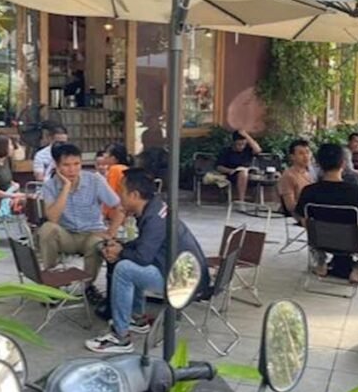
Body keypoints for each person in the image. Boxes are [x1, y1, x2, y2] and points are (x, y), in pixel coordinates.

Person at [86, 168, 208, 353]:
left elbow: (143, 257)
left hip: (182, 282)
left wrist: (120, 252)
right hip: (182, 270)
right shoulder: (155, 207)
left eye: (122, 191)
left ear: (134, 195)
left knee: (124, 269)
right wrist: (122, 247)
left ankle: (121, 337)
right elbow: (145, 244)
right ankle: (137, 318)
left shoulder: (153, 219)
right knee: (129, 263)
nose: (119, 196)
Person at [295, 143, 358, 285]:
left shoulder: (308, 191)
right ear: (343, 164)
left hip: (320, 242)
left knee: (313, 228)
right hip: (352, 243)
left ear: (319, 164)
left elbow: (304, 222)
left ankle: (321, 264)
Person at [39, 143, 123, 301]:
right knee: (47, 229)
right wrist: (66, 187)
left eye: (76, 164)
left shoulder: (95, 180)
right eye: (66, 165)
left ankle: (89, 286)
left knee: (97, 243)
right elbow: (53, 218)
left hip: (92, 233)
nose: (72, 170)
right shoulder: (50, 186)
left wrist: (111, 232)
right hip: (66, 235)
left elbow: (119, 206)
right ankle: (51, 282)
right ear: (57, 166)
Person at [215, 130, 262, 207]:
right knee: (243, 173)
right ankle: (241, 201)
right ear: (233, 143)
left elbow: (258, 150)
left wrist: (246, 136)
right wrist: (230, 170)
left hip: (249, 173)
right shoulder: (227, 151)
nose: (241, 147)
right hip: (233, 174)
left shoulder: (247, 150)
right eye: (239, 144)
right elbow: (218, 167)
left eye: (243, 144)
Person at [277, 139, 314, 216]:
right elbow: (290, 206)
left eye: (307, 152)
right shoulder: (288, 176)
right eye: (301, 153)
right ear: (292, 157)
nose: (306, 156)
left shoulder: (313, 172)